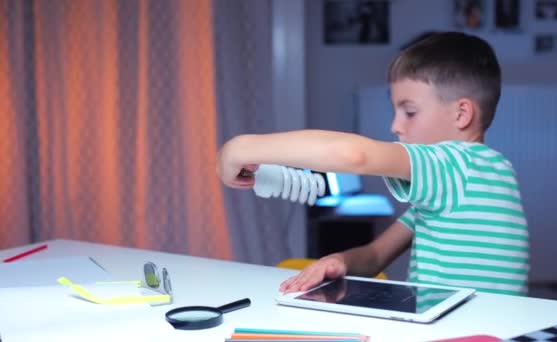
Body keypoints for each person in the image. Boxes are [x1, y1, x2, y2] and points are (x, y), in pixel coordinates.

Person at [216, 32, 529, 296]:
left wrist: (240, 148)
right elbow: (376, 255)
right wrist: (341, 260)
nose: (396, 125)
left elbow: (355, 156)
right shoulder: (484, 175)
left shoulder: (456, 165)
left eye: (409, 112)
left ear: (461, 114)